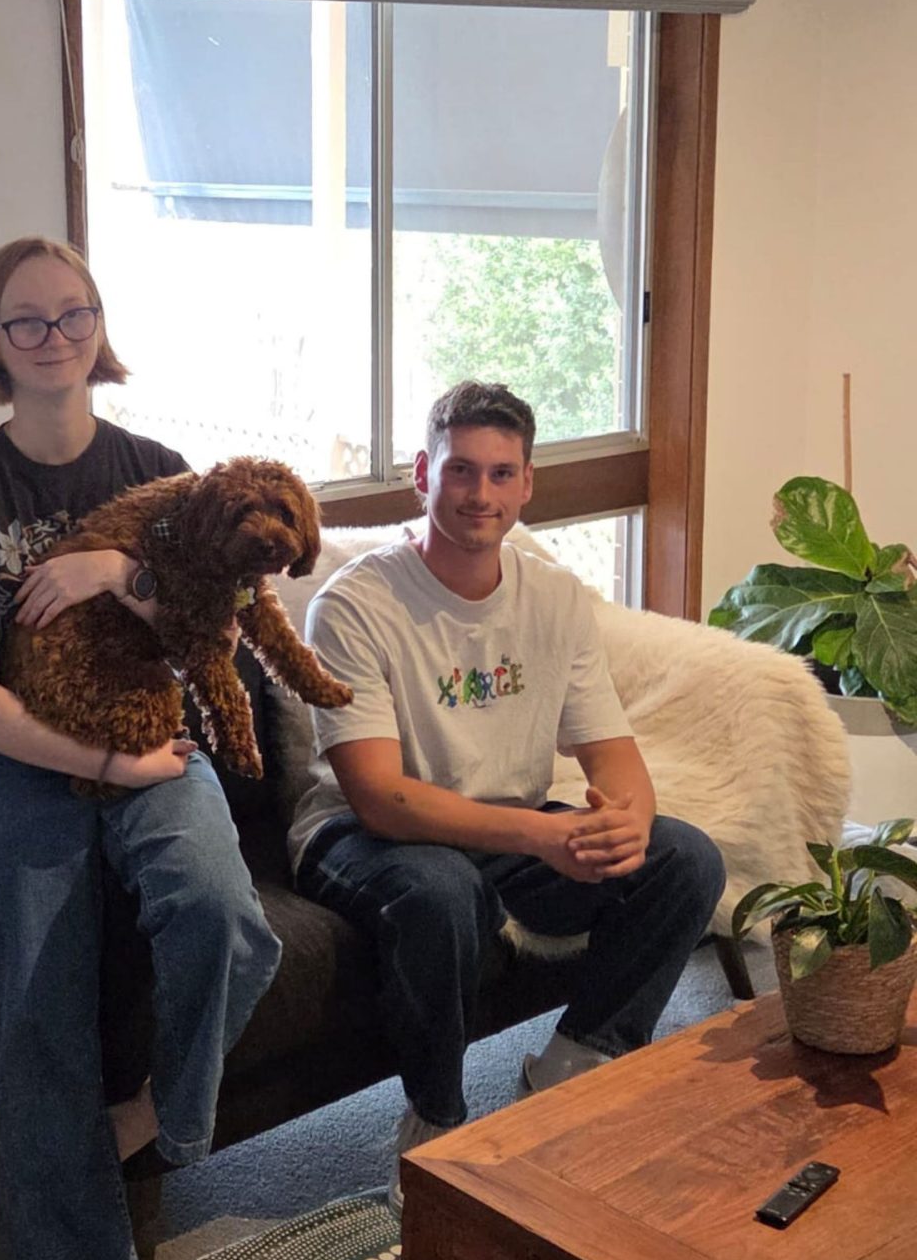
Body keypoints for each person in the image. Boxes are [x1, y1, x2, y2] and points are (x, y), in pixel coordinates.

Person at [0, 237, 281, 1260]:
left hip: (150, 734)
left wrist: (116, 575)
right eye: (25, 322)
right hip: (22, 763)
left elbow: (218, 618)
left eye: (72, 314)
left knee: (226, 918)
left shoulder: (154, 464)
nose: (54, 338)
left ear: (98, 324)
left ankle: (151, 1122)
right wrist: (98, 766)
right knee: (36, 1025)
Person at [287, 380, 725, 1214]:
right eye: (460, 471)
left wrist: (626, 820)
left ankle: (572, 1071)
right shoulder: (356, 605)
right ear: (423, 473)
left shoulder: (554, 597)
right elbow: (382, 799)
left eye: (500, 474)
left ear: (527, 485)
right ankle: (436, 1129)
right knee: (443, 890)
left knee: (683, 860)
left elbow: (612, 751)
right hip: (363, 835)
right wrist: (541, 837)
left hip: (505, 826)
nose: (479, 494)